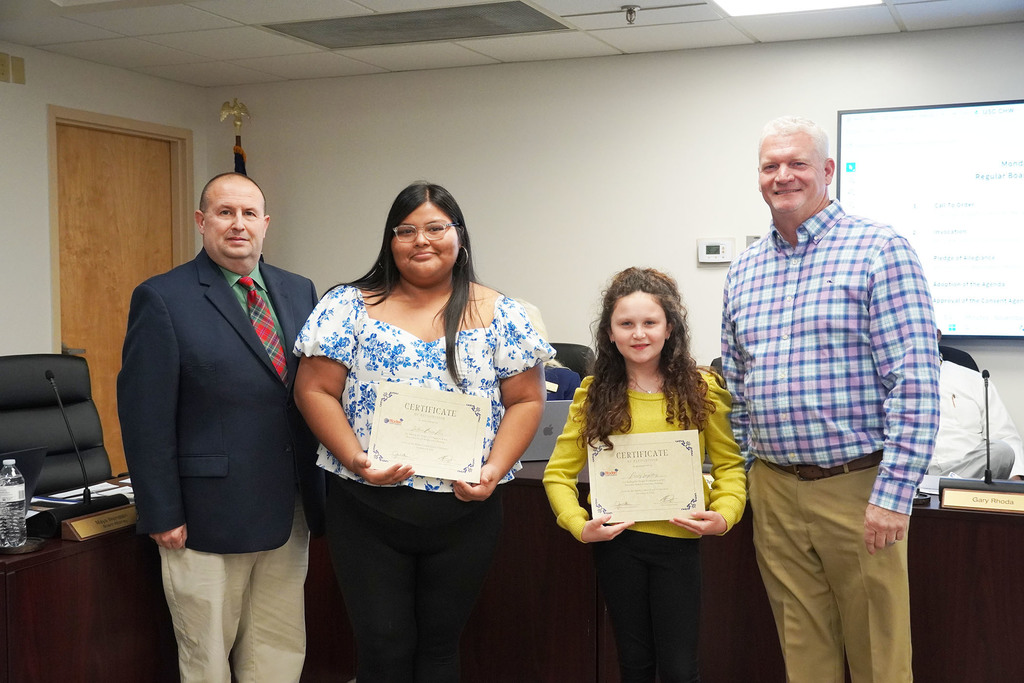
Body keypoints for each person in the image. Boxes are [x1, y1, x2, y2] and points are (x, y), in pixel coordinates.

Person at [292, 181, 551, 681]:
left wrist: (493, 470)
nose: (421, 240)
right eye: (406, 230)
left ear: (460, 236)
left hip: (464, 512)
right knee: (381, 653)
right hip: (366, 508)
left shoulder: (500, 312)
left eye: (436, 227)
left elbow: (526, 400)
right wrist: (357, 459)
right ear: (390, 241)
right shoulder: (347, 306)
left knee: (439, 653)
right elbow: (314, 392)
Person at [721, 115, 940, 682]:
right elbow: (737, 388)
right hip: (774, 488)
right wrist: (748, 472)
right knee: (802, 651)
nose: (783, 176)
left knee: (878, 657)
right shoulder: (744, 270)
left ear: (827, 171)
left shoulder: (880, 250)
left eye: (797, 163)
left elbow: (914, 382)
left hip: (859, 487)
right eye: (770, 166)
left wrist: (893, 494)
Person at [117, 172, 326, 682]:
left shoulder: (300, 291)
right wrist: (160, 509)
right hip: (206, 514)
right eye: (225, 213)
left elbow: (313, 391)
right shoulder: (163, 298)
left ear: (266, 223)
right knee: (207, 654)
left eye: (249, 214)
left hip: (288, 509)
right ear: (201, 221)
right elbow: (144, 415)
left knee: (279, 647)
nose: (238, 225)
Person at [544, 267, 746, 683]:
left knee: (679, 667)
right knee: (634, 663)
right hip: (619, 546)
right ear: (610, 333)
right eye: (626, 324)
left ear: (669, 328)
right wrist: (578, 525)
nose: (639, 334)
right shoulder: (592, 393)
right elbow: (557, 475)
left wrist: (726, 513)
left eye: (650, 322)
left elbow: (730, 466)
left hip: (679, 545)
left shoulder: (702, 390)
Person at [930, 357, 1023, 480]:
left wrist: (1016, 490)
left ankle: (948, 487)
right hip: (919, 472)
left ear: (938, 336)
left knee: (1002, 450)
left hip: (970, 471)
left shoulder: (975, 380)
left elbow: (1004, 436)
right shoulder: (897, 380)